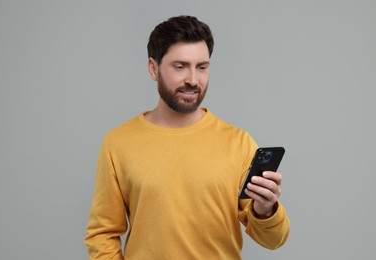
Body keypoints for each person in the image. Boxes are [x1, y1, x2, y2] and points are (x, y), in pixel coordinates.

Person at [84, 15, 290, 259]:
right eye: (180, 66)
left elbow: (274, 240)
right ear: (153, 68)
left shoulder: (239, 143)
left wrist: (265, 210)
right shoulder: (118, 143)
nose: (193, 80)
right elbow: (102, 234)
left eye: (202, 67)